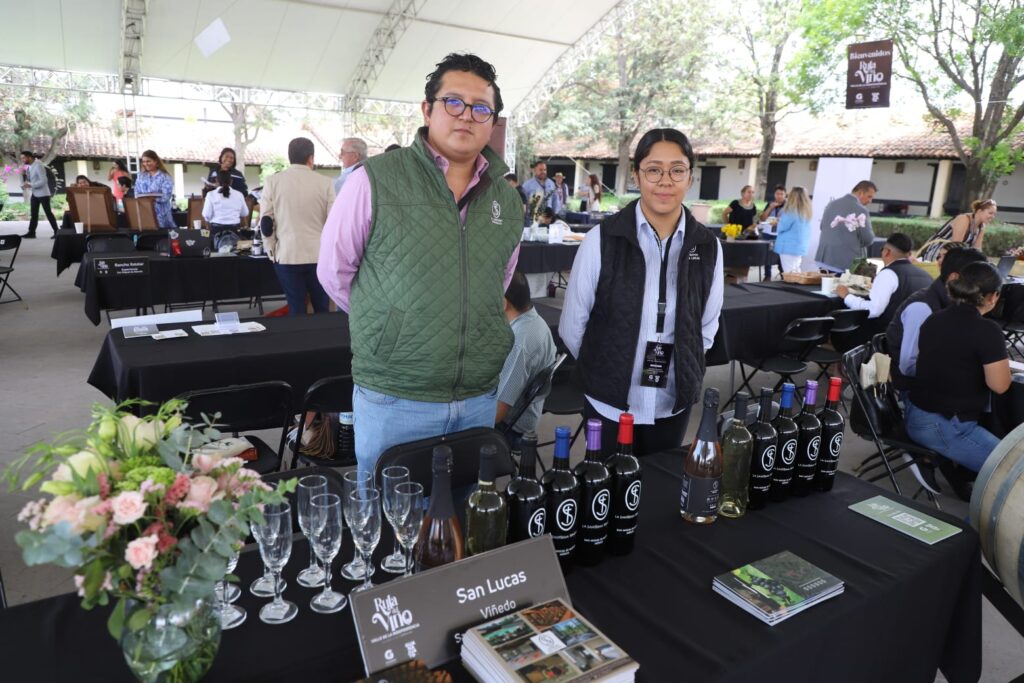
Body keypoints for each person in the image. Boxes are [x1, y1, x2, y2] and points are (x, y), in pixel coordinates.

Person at [317, 53, 522, 475]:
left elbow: (496, 282)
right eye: (453, 102)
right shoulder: (373, 180)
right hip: (396, 395)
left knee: (462, 520)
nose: (467, 115)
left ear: (492, 121)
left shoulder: (506, 200)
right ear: (427, 109)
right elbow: (334, 273)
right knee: (386, 520)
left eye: (481, 108)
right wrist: (392, 321)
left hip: (478, 395)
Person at [559, 128, 724, 457]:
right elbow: (572, 324)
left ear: (690, 177)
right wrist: (605, 370)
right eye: (653, 169)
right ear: (636, 175)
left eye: (677, 170)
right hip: (610, 405)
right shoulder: (602, 241)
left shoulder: (707, 247)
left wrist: (683, 365)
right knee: (604, 494)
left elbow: (706, 327)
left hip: (672, 403)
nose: (666, 181)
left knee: (656, 494)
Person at [904, 261, 1011, 472]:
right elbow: (1000, 385)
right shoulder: (987, 330)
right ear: (993, 296)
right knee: (1014, 468)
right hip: (946, 425)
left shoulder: (933, 319)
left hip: (916, 412)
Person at [888, 246, 987, 392]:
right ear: (954, 278)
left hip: (942, 386)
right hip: (915, 391)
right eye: (976, 278)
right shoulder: (922, 307)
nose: (981, 285)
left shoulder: (957, 303)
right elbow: (908, 366)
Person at [261, 137, 335, 315]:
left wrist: (272, 251)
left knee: (296, 308)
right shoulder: (326, 182)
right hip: (319, 255)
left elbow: (266, 222)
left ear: (289, 157)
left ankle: (299, 341)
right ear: (311, 158)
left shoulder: (273, 181)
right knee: (322, 307)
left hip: (287, 255)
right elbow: (334, 223)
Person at [835, 232, 932, 348]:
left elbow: (874, 310)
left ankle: (840, 363)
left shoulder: (889, 273)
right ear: (909, 254)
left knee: (838, 329)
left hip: (884, 339)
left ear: (887, 252)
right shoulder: (926, 275)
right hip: (915, 338)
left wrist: (846, 296)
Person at [495, 271, 557, 442]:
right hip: (523, 413)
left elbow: (497, 414)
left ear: (503, 303)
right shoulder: (533, 321)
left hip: (511, 428)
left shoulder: (519, 344)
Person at [815, 180, 877, 271]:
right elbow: (868, 239)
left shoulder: (831, 204)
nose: (870, 201)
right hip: (845, 263)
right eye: (869, 197)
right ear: (860, 193)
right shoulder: (861, 210)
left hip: (824, 259)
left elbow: (822, 227)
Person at [919, 199, 998, 261]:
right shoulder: (964, 219)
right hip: (939, 251)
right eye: (990, 213)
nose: (993, 216)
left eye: (994, 214)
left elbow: (977, 248)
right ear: (980, 211)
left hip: (954, 254)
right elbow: (956, 245)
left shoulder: (982, 226)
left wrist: (983, 261)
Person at [773, 186, 812, 273]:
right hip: (799, 247)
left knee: (789, 274)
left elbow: (782, 227)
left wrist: (778, 221)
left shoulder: (791, 210)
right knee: (796, 272)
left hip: (788, 247)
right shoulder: (806, 211)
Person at [19, 151, 58, 239]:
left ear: (29, 157)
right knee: (34, 214)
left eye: (23, 158)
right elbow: (31, 179)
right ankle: (31, 233)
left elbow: (44, 181)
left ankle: (57, 232)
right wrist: (25, 178)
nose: (22, 160)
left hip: (43, 194)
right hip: (35, 194)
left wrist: (31, 185)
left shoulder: (38, 165)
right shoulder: (30, 166)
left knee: (48, 213)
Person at [134, 149, 176, 228]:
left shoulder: (165, 177)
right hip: (145, 213)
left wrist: (153, 199)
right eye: (144, 161)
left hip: (162, 215)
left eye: (148, 161)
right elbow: (136, 193)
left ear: (156, 161)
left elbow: (166, 196)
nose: (146, 164)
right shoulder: (141, 176)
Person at [201, 169, 249, 236]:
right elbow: (245, 213)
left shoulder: (211, 194)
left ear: (216, 180)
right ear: (231, 181)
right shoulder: (239, 194)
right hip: (235, 230)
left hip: (216, 231)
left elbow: (206, 215)